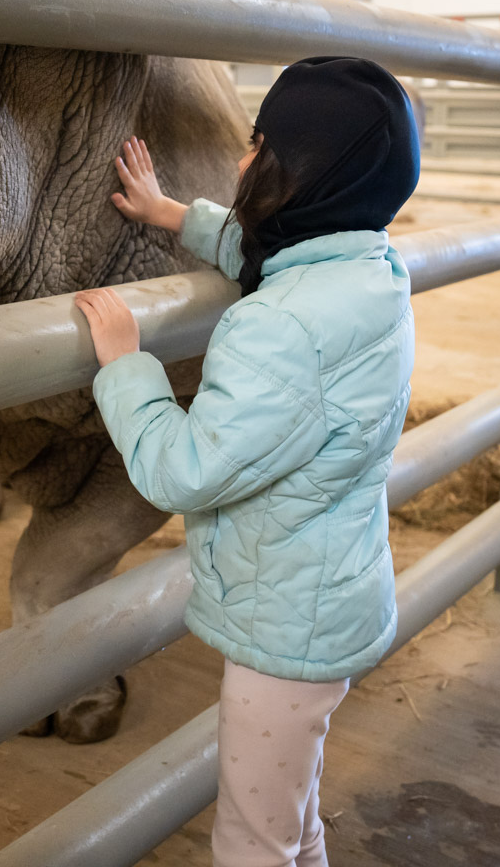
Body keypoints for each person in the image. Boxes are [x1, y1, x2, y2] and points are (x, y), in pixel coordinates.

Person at [75, 56, 420, 867]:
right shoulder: (367, 270)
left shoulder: (277, 330)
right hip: (330, 595)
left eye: (260, 145)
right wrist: (173, 213)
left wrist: (125, 366)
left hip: (284, 630)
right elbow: (277, 254)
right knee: (291, 815)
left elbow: (181, 470)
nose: (239, 162)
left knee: (251, 839)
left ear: (305, 174)